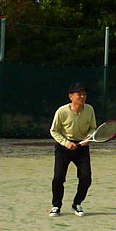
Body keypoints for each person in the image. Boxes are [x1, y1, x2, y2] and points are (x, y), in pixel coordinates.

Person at [49, 82, 97, 217]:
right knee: (58, 178)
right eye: (79, 94)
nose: (82, 97)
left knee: (86, 178)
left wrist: (89, 137)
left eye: (84, 94)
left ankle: (77, 203)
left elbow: (93, 128)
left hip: (82, 148)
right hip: (63, 148)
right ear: (71, 96)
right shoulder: (62, 111)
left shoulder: (89, 110)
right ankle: (56, 206)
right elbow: (54, 131)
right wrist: (66, 143)